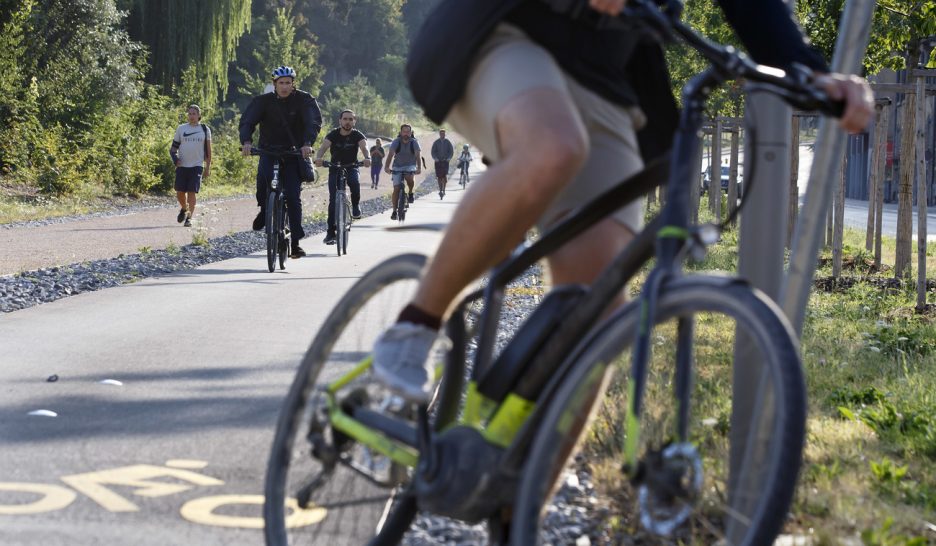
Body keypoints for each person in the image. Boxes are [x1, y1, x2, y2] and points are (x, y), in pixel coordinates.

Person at [371, 0, 874, 402]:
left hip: (602, 75)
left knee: (600, 319)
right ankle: (416, 326)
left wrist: (809, 71)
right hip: (505, 33)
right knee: (552, 147)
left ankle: (516, 488)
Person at [239, 65, 322, 258]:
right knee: (262, 182)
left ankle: (296, 243)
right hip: (268, 150)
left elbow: (313, 122)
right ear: (274, 84)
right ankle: (264, 209)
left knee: (293, 196)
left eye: (288, 83)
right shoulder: (263, 101)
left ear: (293, 84)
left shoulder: (304, 100)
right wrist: (247, 142)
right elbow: (247, 121)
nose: (285, 86)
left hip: (294, 153)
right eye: (281, 83)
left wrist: (307, 143)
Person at [314, 109, 372, 245]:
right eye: (345, 119)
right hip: (335, 168)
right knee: (333, 200)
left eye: (351, 119)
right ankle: (330, 232)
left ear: (354, 121)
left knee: (354, 183)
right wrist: (319, 158)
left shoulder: (357, 135)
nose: (347, 122)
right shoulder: (333, 134)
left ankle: (355, 206)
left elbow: (364, 148)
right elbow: (323, 148)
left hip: (352, 166)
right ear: (340, 120)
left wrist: (367, 158)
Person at [169, 105, 211, 227]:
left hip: (197, 165)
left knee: (192, 192)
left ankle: (189, 218)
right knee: (180, 193)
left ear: (199, 115)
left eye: (194, 114)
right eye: (190, 114)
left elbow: (208, 151)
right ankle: (184, 208)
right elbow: (173, 149)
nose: (191, 116)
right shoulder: (181, 129)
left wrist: (207, 167)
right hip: (182, 166)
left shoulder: (205, 129)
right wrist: (175, 159)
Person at [384, 124, 422, 219]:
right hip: (397, 166)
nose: (406, 134)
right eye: (404, 132)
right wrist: (386, 167)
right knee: (396, 188)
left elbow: (418, 156)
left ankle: (410, 192)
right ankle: (394, 211)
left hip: (410, 165)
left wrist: (419, 168)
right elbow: (390, 154)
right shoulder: (396, 142)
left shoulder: (414, 142)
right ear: (401, 133)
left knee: (410, 178)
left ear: (411, 133)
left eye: (408, 132)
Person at [430, 129, 454, 199]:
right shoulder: (436, 142)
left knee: (444, 176)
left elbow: (451, 151)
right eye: (441, 133)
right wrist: (435, 158)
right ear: (439, 134)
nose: (442, 135)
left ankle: (444, 190)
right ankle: (440, 190)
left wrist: (449, 158)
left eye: (443, 133)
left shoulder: (448, 142)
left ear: (445, 134)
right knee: (439, 177)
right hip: (438, 162)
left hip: (445, 161)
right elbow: (433, 152)